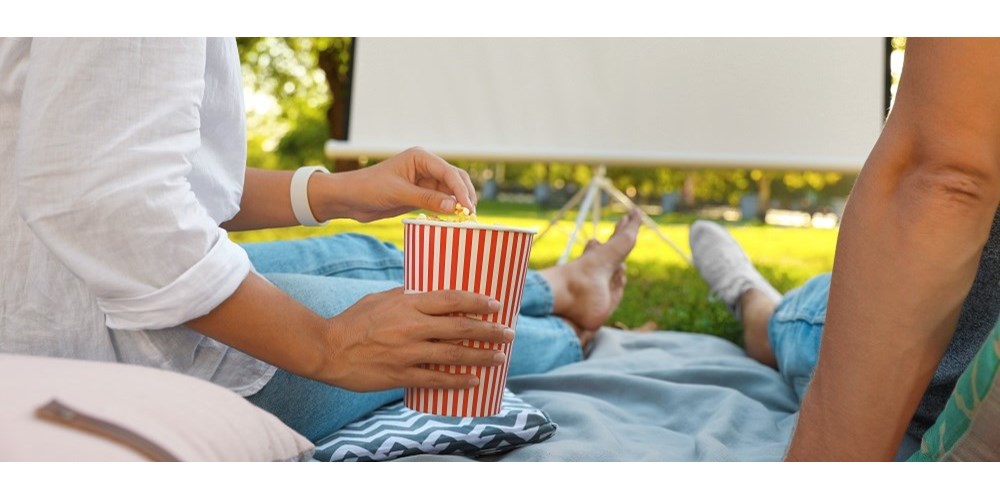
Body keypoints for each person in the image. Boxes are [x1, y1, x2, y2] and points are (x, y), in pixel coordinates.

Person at [0, 37, 640, 441]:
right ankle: (563, 328)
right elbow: (103, 199)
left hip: (57, 277)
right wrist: (328, 345)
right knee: (436, 322)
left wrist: (339, 194)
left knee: (370, 256)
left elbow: (148, 174)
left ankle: (558, 285)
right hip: (87, 337)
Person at [689, 37, 1000, 461]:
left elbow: (946, 176)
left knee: (789, 322)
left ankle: (752, 300)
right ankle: (750, 295)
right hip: (951, 334)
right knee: (806, 312)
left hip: (947, 356)